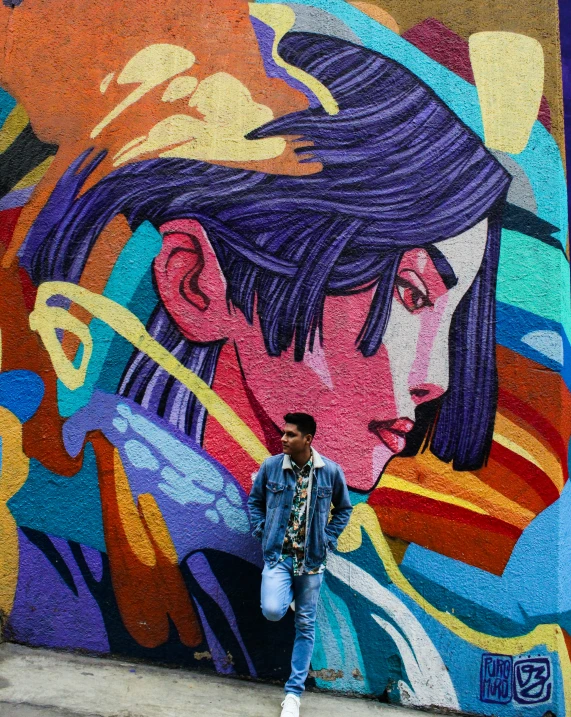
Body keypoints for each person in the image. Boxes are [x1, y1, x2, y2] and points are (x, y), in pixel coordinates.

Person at [248, 412, 352, 716]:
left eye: (291, 434)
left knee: (305, 626)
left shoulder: (330, 473)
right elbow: (255, 502)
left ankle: (293, 694)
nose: (283, 438)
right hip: (279, 557)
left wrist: (328, 538)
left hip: (311, 563)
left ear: (308, 439)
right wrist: (261, 530)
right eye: (284, 433)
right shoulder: (271, 468)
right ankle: (286, 597)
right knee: (271, 610)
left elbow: (343, 510)